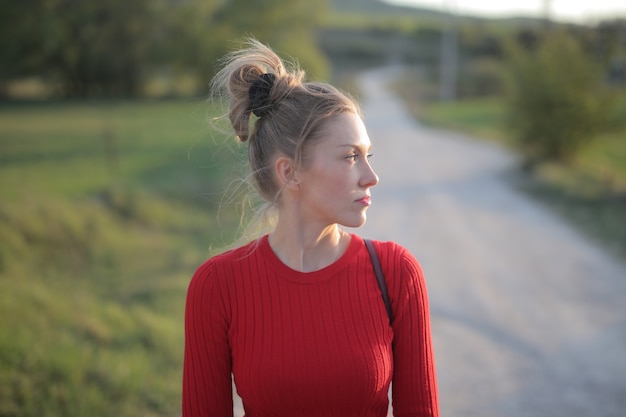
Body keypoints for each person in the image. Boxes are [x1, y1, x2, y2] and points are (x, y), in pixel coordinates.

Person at [183, 38, 439, 417]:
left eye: (368, 155)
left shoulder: (397, 273)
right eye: (351, 157)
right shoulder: (217, 287)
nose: (372, 177)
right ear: (290, 172)